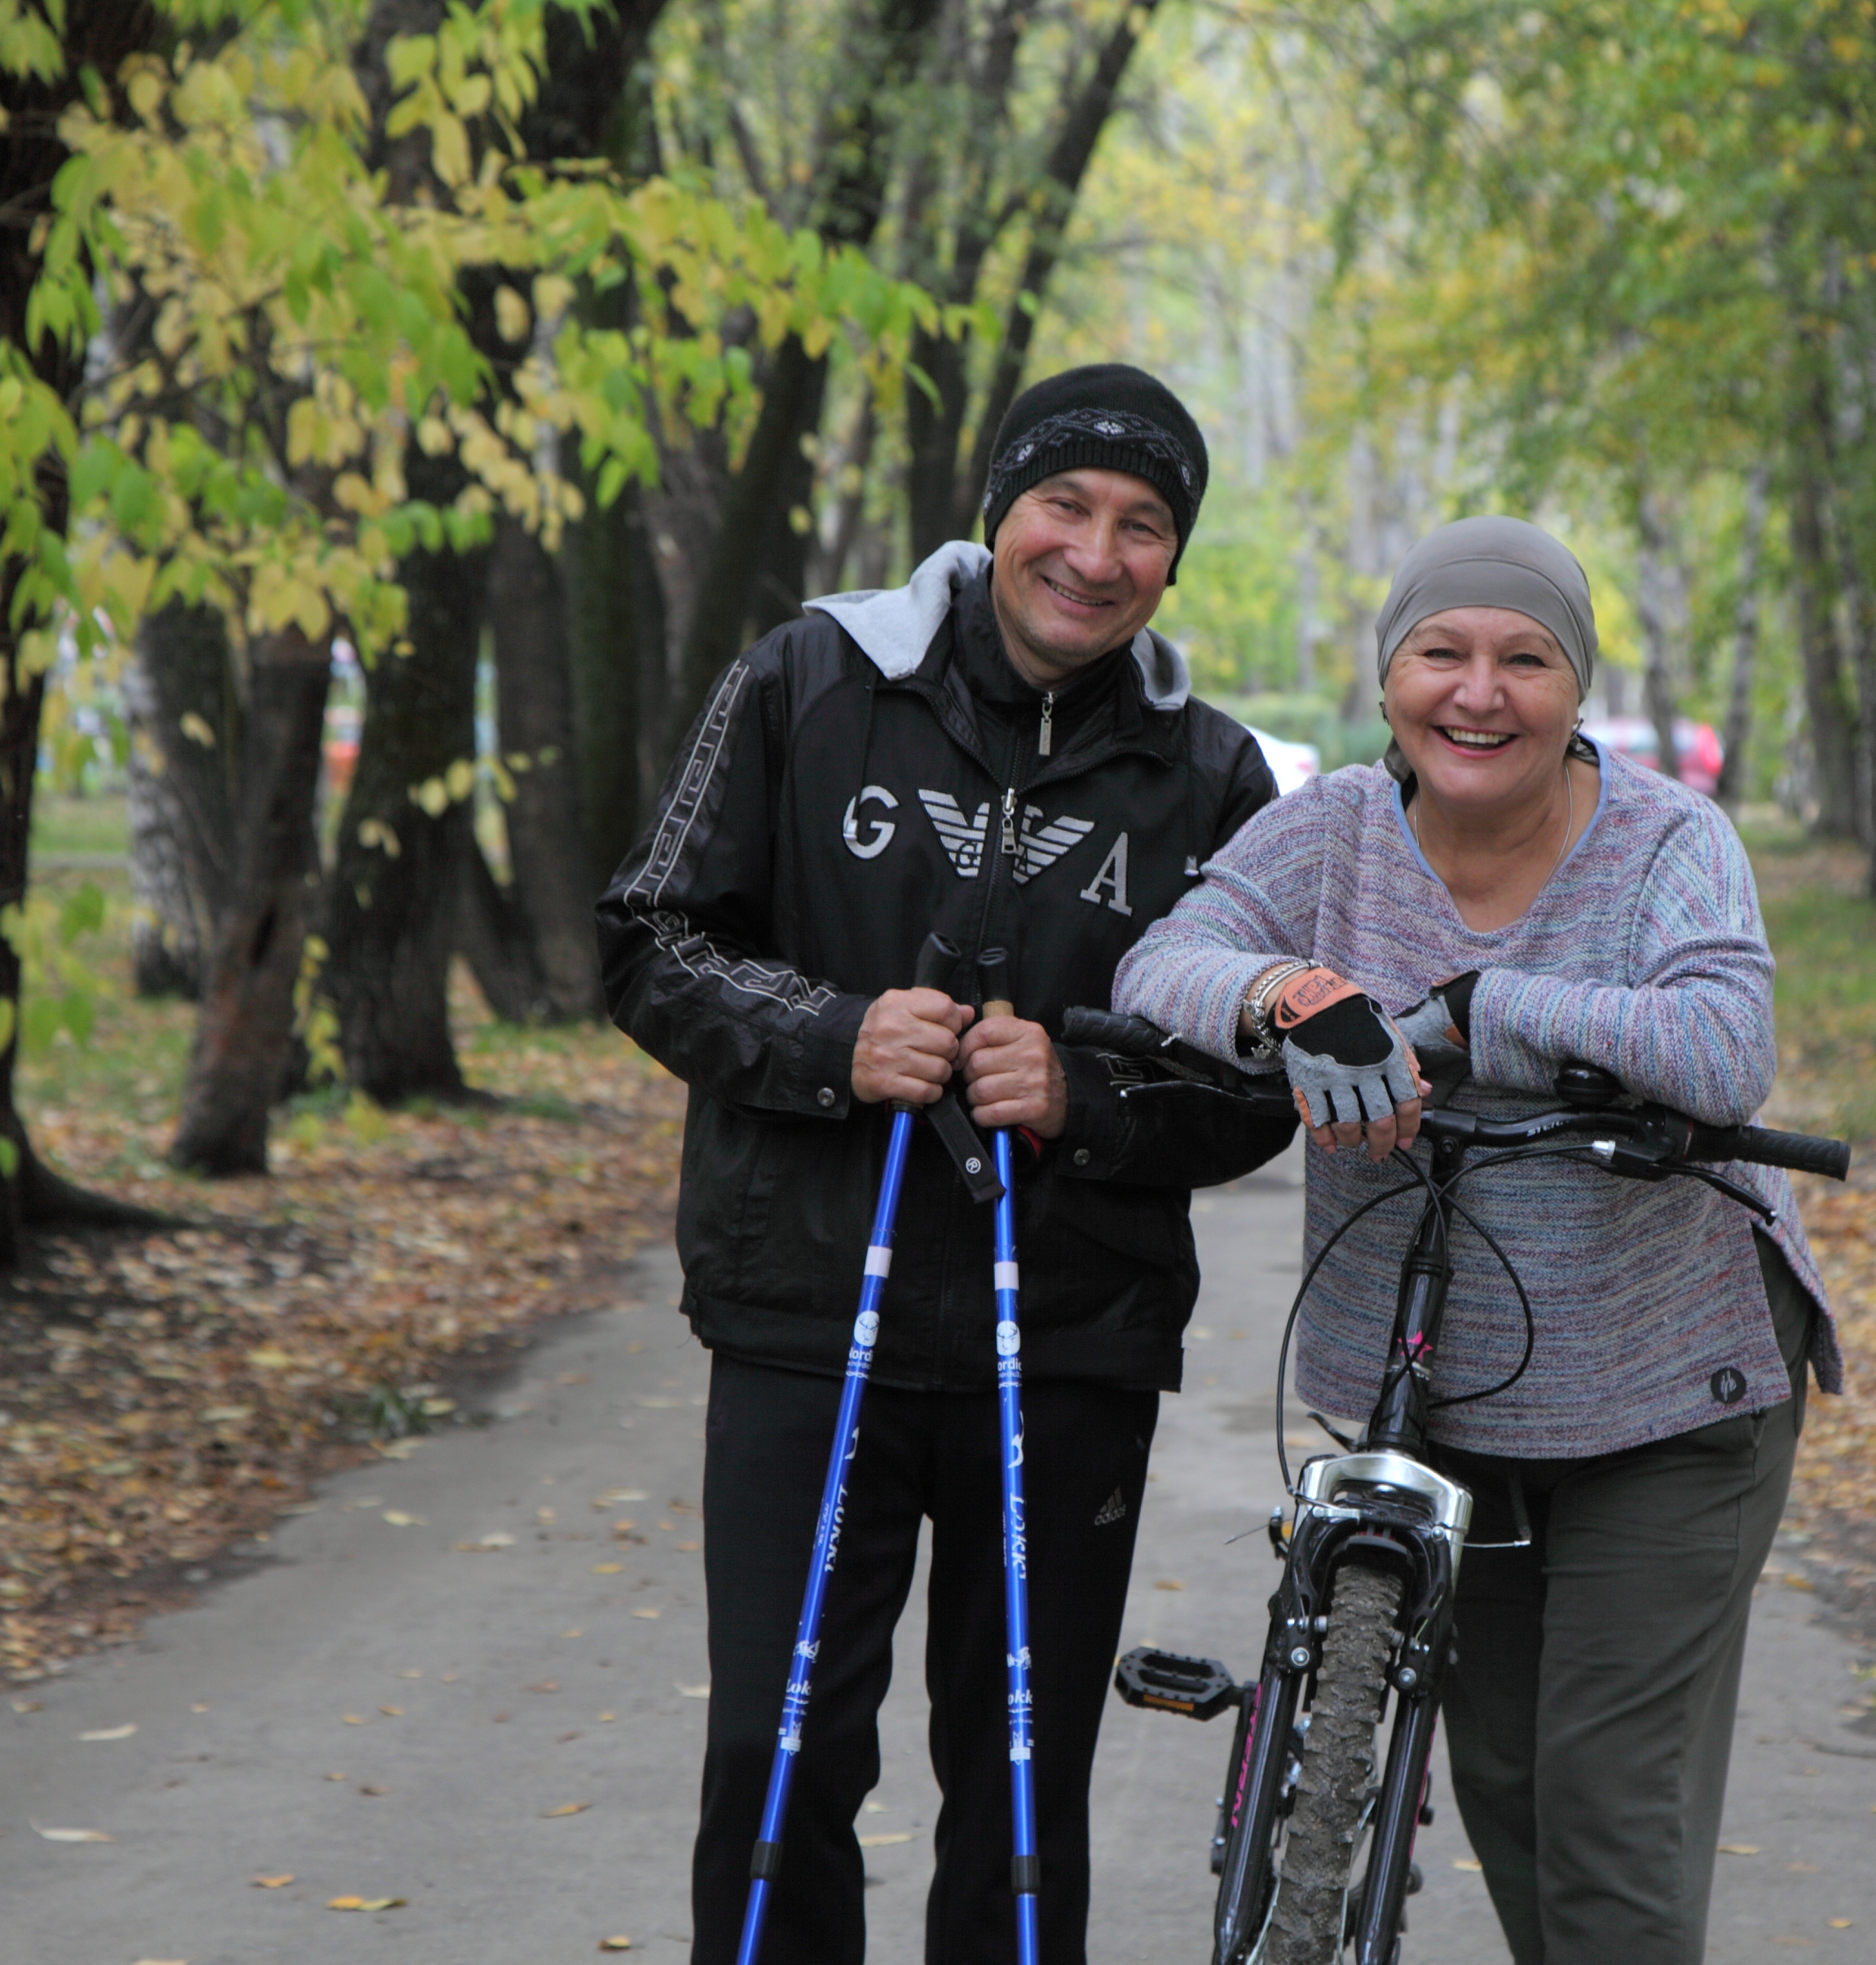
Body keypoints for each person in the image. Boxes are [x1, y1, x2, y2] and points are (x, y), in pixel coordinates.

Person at [597, 363, 1294, 1965]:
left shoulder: (1213, 775)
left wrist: (1082, 1094)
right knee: (778, 1766)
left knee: (1021, 1791)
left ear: (1171, 559)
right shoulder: (812, 677)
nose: (1095, 552)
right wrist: (831, 1037)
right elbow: (647, 935)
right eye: (1063, 506)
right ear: (996, 517)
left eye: (1140, 525)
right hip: (802, 1319)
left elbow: (1256, 1089)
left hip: (1066, 1347)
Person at [1109, 514, 1839, 1965]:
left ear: (1576, 694)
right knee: (1503, 1779)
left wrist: (1481, 1006)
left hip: (1672, 1387)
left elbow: (1723, 1042)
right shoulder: (1328, 835)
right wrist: (1288, 997)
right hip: (1448, 1388)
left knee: (1607, 1803)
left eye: (1526, 659)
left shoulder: (1664, 841)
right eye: (1441, 652)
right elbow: (1159, 965)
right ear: (1391, 678)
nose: (1478, 692)